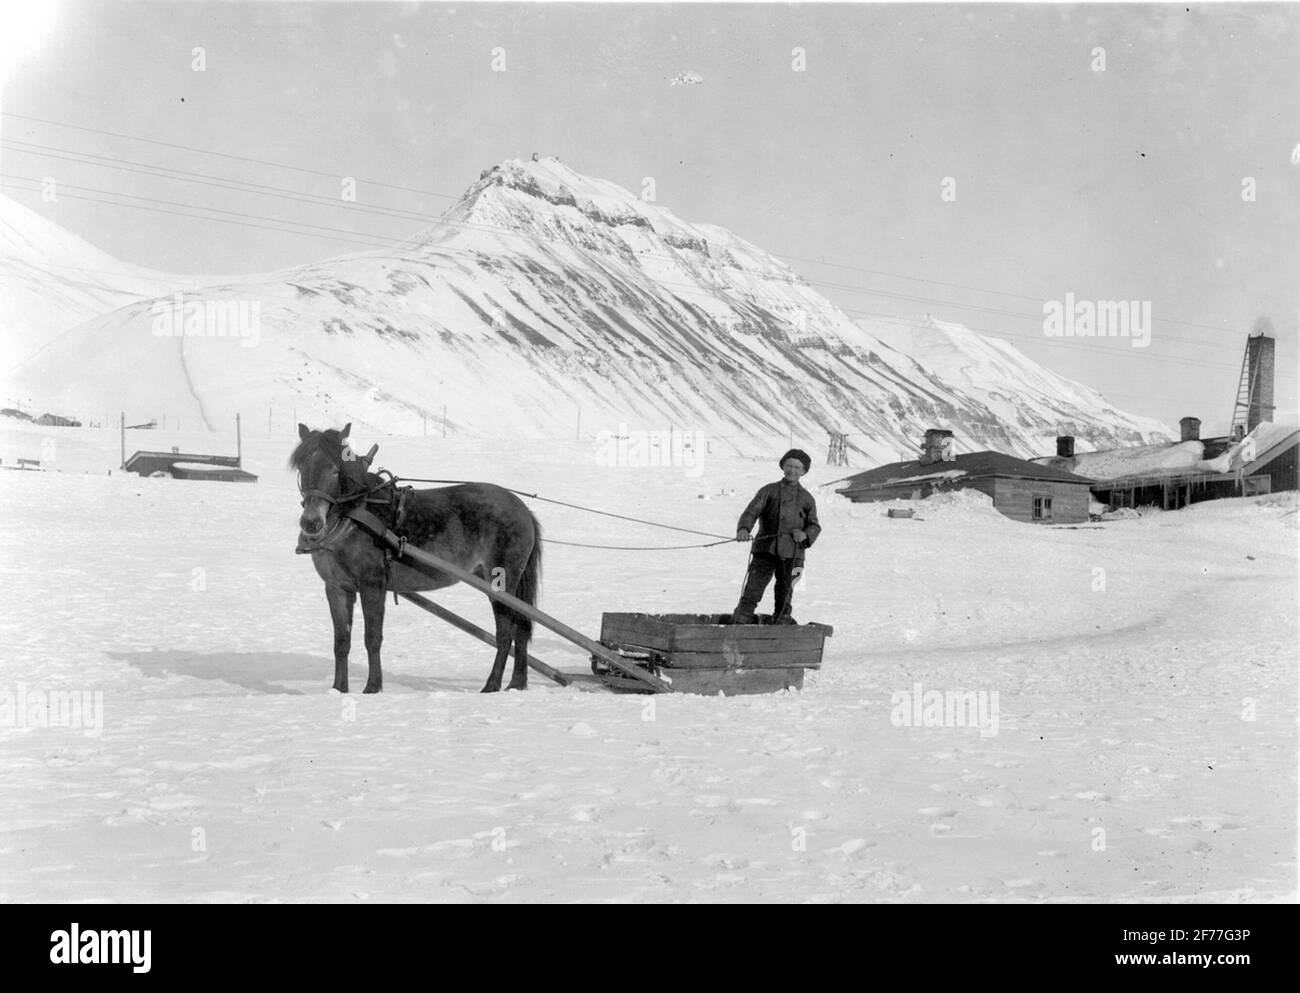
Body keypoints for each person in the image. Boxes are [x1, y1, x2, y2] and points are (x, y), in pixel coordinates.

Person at [731, 448, 821, 625]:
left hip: (793, 552)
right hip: (766, 549)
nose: (792, 470)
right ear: (783, 467)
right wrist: (744, 528)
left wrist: (804, 534)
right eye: (789, 465)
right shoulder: (768, 491)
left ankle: (782, 619)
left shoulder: (807, 498)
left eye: (797, 467)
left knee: (786, 589)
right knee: (754, 587)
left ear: (803, 471)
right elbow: (751, 511)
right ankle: (742, 618)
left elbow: (815, 525)